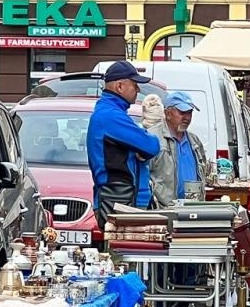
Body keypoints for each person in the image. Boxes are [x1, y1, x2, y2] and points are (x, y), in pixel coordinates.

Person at [86, 60, 161, 221]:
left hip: (120, 198)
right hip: (119, 201)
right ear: (120, 86)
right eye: (134, 84)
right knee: (125, 246)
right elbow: (152, 146)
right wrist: (143, 146)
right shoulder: (110, 116)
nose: (138, 89)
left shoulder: (111, 113)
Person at [148, 90, 209, 208]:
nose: (187, 117)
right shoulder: (152, 137)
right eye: (182, 112)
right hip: (163, 210)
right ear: (168, 113)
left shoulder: (194, 140)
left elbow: (203, 171)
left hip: (193, 209)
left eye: (190, 112)